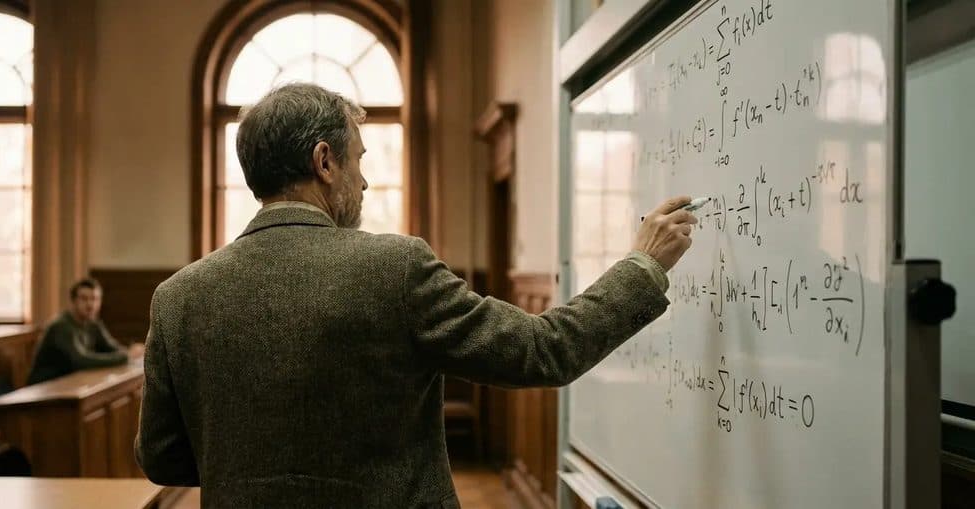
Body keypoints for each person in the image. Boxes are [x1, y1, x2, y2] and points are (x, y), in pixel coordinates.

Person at [135, 83, 698, 507]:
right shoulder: (394, 268)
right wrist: (643, 265)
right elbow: (542, 351)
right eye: (357, 160)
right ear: (324, 161)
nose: (364, 181)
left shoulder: (178, 296)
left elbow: (163, 456)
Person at [26, 278, 141, 385]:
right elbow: (81, 361)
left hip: (69, 383)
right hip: (44, 389)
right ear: (74, 301)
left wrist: (129, 353)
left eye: (94, 299)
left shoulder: (93, 324)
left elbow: (112, 347)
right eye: (84, 299)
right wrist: (126, 356)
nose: (90, 304)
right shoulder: (61, 326)